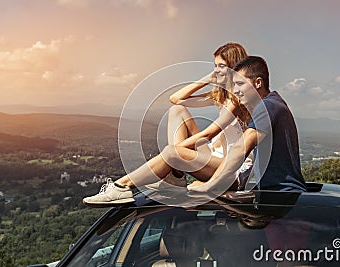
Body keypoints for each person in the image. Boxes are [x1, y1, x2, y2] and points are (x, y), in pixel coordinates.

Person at [83, 43, 252, 207]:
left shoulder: (238, 100)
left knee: (172, 152)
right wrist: (208, 78)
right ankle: (176, 176)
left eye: (221, 66)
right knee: (177, 110)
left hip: (230, 173)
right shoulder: (221, 96)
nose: (216, 70)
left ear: (233, 68)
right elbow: (176, 99)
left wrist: (172, 155)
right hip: (213, 159)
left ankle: (122, 186)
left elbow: (209, 134)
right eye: (214, 65)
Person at [188, 56, 306, 193]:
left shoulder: (267, 107)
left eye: (240, 83)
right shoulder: (274, 104)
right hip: (279, 194)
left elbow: (241, 148)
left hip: (281, 196)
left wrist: (208, 186)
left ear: (258, 83)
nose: (235, 90)